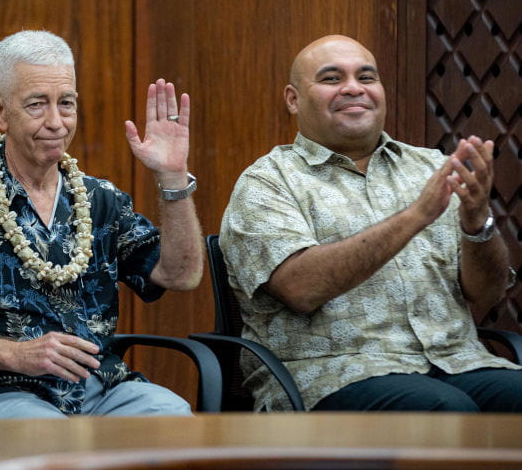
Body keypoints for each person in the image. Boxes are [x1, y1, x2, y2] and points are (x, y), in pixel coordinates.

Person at [0, 29, 203, 419]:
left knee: (174, 420)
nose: (56, 122)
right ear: (0, 112)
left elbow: (181, 275)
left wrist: (172, 177)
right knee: (50, 442)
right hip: (2, 393)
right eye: (37, 105)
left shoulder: (101, 200)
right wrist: (17, 354)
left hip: (101, 389)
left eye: (66, 103)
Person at [221, 34, 522, 412]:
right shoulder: (268, 181)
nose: (353, 88)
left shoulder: (431, 167)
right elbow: (301, 288)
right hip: (333, 375)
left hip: (458, 360)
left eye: (366, 78)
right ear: (293, 99)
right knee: (443, 411)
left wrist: (478, 225)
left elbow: (486, 293)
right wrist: (415, 217)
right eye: (332, 79)